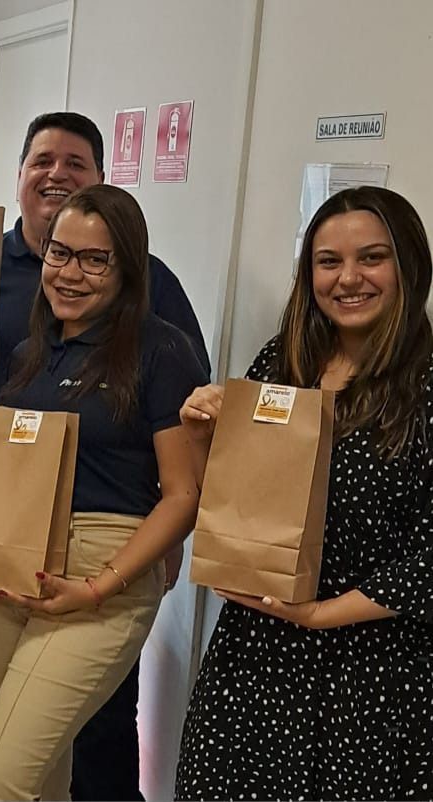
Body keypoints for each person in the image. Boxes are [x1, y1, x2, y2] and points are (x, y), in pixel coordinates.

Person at [0, 110, 211, 802]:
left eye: (95, 259)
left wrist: (103, 586)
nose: (70, 272)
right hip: (10, 564)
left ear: (127, 267)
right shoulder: (28, 354)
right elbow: (1, 464)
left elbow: (183, 496)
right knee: (40, 778)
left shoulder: (160, 350)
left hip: (103, 572)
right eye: (59, 254)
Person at [175, 186, 433, 800]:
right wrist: (199, 435)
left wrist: (320, 615)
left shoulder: (425, 382)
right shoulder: (283, 363)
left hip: (376, 671)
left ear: (409, 265)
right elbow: (230, 500)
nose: (348, 279)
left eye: (371, 258)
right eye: (327, 261)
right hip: (256, 655)